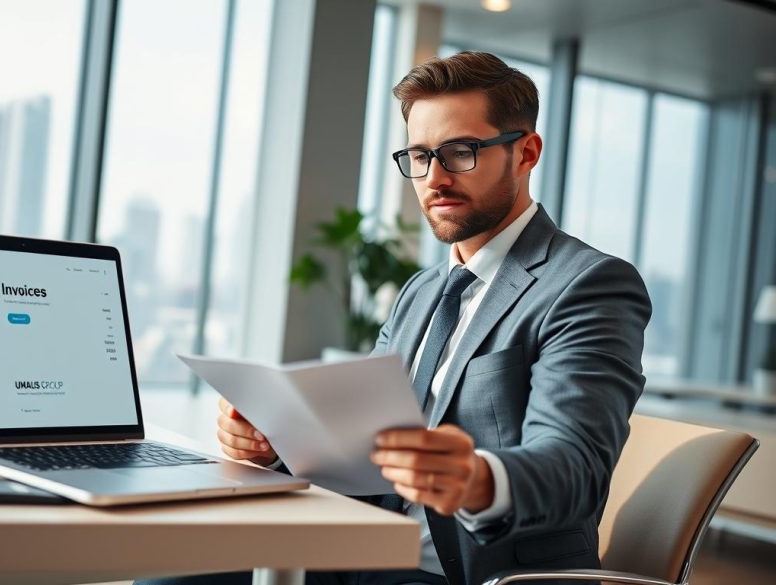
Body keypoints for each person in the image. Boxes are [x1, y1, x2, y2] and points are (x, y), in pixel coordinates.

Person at [157, 51, 651, 585]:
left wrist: (478, 479)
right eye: (419, 155)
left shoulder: (588, 283)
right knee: (172, 568)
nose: (434, 177)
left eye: (460, 152)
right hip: (364, 552)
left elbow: (575, 466)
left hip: (474, 572)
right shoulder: (421, 292)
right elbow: (359, 447)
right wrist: (278, 447)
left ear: (526, 153)